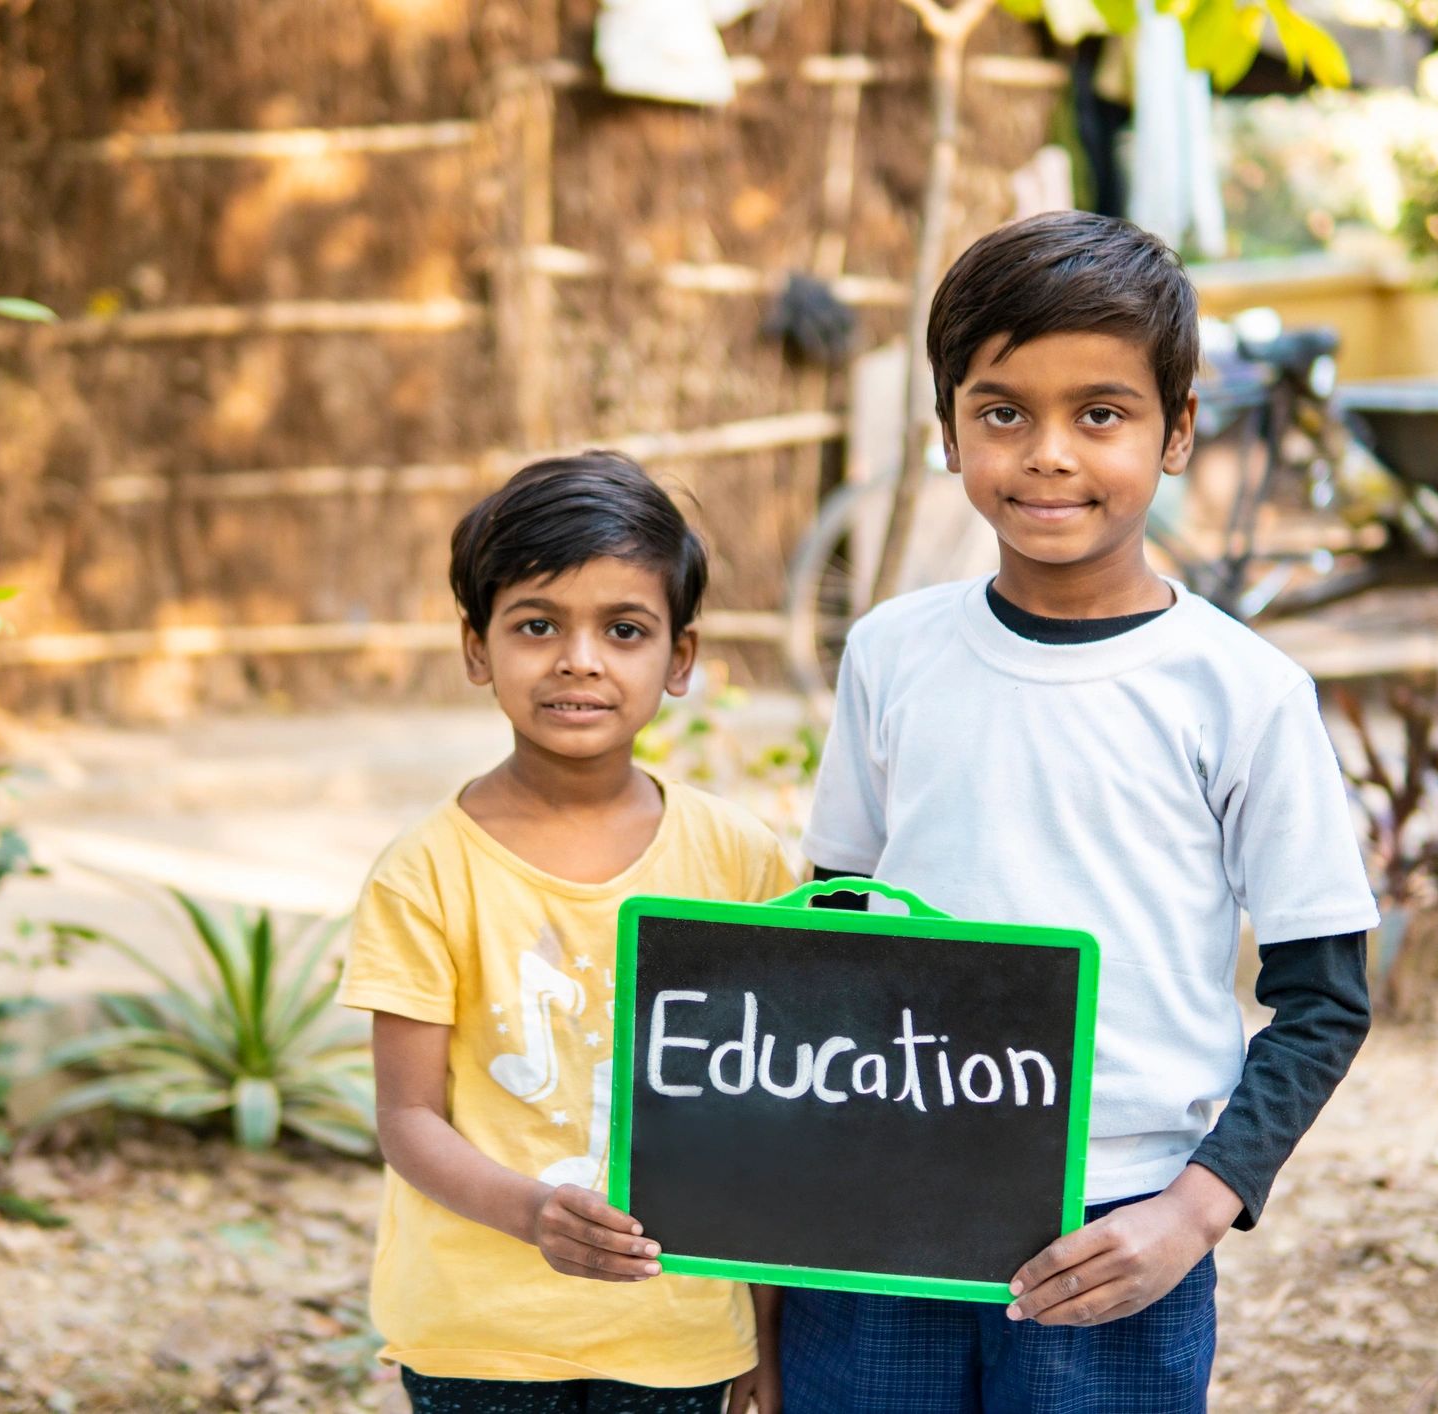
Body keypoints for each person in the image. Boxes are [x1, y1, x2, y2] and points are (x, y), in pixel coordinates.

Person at [786, 212, 1379, 1412]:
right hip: (884, 1201)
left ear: (1178, 433)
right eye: (1003, 411)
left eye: (1100, 413)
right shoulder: (893, 652)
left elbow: (1323, 998)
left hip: (1118, 1229)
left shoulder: (1243, 692)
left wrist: (1192, 1213)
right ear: (948, 427)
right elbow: (834, 913)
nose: (1048, 453)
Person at [339, 453, 790, 1414]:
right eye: (536, 625)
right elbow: (408, 1117)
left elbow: (767, 1117)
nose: (578, 659)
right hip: (481, 1332)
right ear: (476, 648)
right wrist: (534, 1213)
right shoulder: (426, 872)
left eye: (622, 630)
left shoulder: (742, 862)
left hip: (674, 1331)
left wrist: (765, 1324)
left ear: (679, 658)